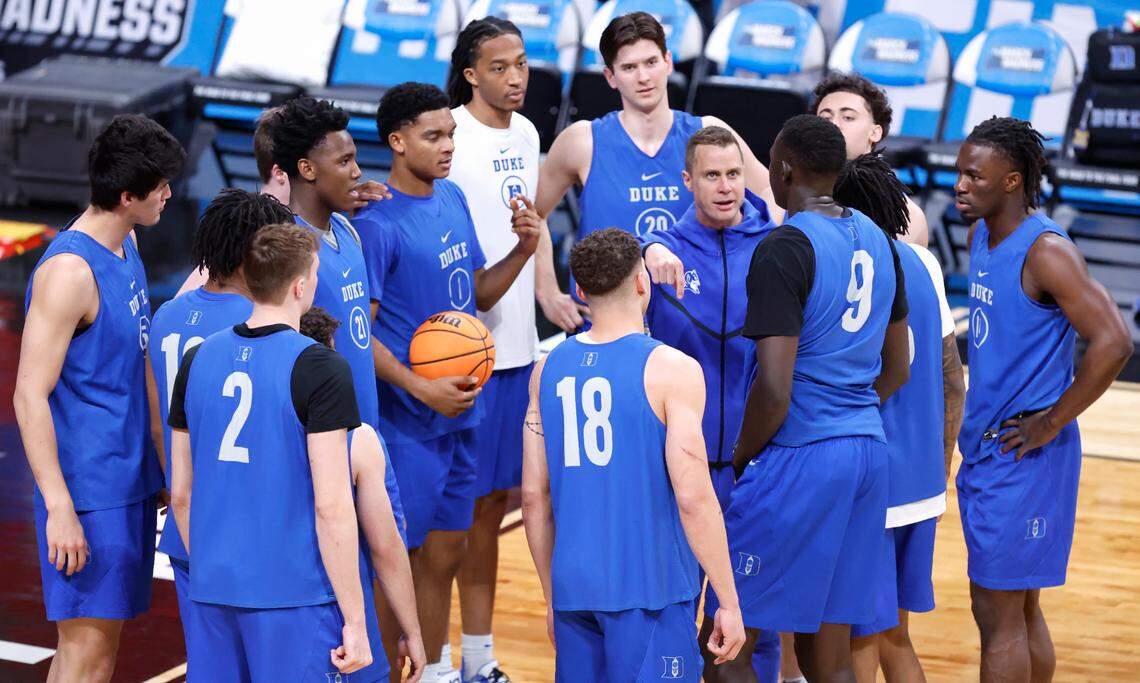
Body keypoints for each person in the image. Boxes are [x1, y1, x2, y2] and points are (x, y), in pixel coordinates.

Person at [702, 115, 911, 683]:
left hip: (800, 455)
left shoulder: (786, 246)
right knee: (829, 652)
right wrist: (849, 411)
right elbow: (899, 365)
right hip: (867, 453)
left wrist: (745, 455)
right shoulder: (878, 238)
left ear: (784, 168)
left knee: (726, 636)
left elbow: (774, 387)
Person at [356, 81, 540, 683]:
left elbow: (478, 292)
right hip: (407, 427)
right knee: (399, 567)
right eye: (433, 135)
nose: (448, 145)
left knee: (444, 557)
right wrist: (418, 386)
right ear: (397, 140)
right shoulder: (377, 224)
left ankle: (432, 673)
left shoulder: (454, 198)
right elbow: (362, 334)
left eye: (451, 133)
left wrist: (522, 251)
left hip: (465, 416)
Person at [521, 228, 746, 682]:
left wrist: (552, 596)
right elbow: (693, 496)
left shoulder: (545, 370)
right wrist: (729, 599)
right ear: (642, 282)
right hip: (651, 590)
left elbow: (532, 496)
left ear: (580, 291)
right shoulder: (673, 369)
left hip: (573, 591)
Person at [954, 117, 1130, 682]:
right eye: (959, 172)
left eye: (973, 176)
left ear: (1011, 181)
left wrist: (1051, 423)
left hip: (1024, 454)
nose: (960, 185)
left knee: (997, 611)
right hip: (990, 447)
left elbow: (1115, 341)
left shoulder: (1047, 251)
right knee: (1020, 608)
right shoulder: (980, 231)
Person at [14, 114, 184, 682]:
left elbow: (136, 368)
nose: (169, 193)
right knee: (88, 655)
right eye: (159, 185)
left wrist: (158, 459)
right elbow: (27, 395)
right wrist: (60, 507)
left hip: (128, 478)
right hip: (88, 492)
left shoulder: (126, 243)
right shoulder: (69, 273)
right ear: (127, 194)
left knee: (86, 652)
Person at [168, 224, 374, 679]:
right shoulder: (320, 366)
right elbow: (332, 505)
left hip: (212, 587)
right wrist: (356, 621)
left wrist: (210, 568)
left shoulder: (196, 359)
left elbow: (180, 493)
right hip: (293, 595)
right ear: (301, 286)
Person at [444, 17, 575, 683]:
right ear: (470, 73)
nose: (517, 76)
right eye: (500, 66)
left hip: (518, 349)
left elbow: (533, 224)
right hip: (456, 354)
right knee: (449, 518)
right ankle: (436, 660)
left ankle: (478, 656)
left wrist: (547, 290)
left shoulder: (527, 133)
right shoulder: (447, 136)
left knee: (493, 506)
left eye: (521, 63)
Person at [638, 126, 782, 681]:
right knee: (673, 615)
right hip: (681, 469)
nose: (725, 188)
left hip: (755, 468)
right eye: (711, 175)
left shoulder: (775, 243)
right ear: (687, 180)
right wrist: (646, 253)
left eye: (733, 174)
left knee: (751, 620)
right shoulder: (660, 252)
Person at [536, 11, 780, 320]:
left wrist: (760, 258)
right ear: (610, 77)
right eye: (629, 67)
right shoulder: (582, 142)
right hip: (606, 327)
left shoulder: (707, 133)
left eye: (651, 62)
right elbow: (533, 214)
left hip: (693, 322)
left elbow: (771, 191)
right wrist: (546, 292)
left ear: (668, 61)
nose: (643, 77)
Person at [833, 153, 966, 681]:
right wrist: (942, 466)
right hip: (922, 478)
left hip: (870, 479)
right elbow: (952, 378)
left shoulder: (847, 268)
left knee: (859, 635)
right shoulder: (927, 263)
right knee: (895, 636)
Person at [146, 189, 293, 669]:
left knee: (211, 668)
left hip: (190, 529)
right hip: (258, 536)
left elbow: (159, 429)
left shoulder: (166, 314)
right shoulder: (262, 327)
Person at [300, 307, 429, 683]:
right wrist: (413, 632)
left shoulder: (259, 438)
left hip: (267, 605)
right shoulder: (358, 440)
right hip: (340, 612)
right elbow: (386, 548)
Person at [812, 73, 929, 247]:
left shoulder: (908, 216)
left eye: (848, 117)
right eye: (825, 118)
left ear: (875, 132)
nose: (834, 124)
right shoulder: (784, 196)